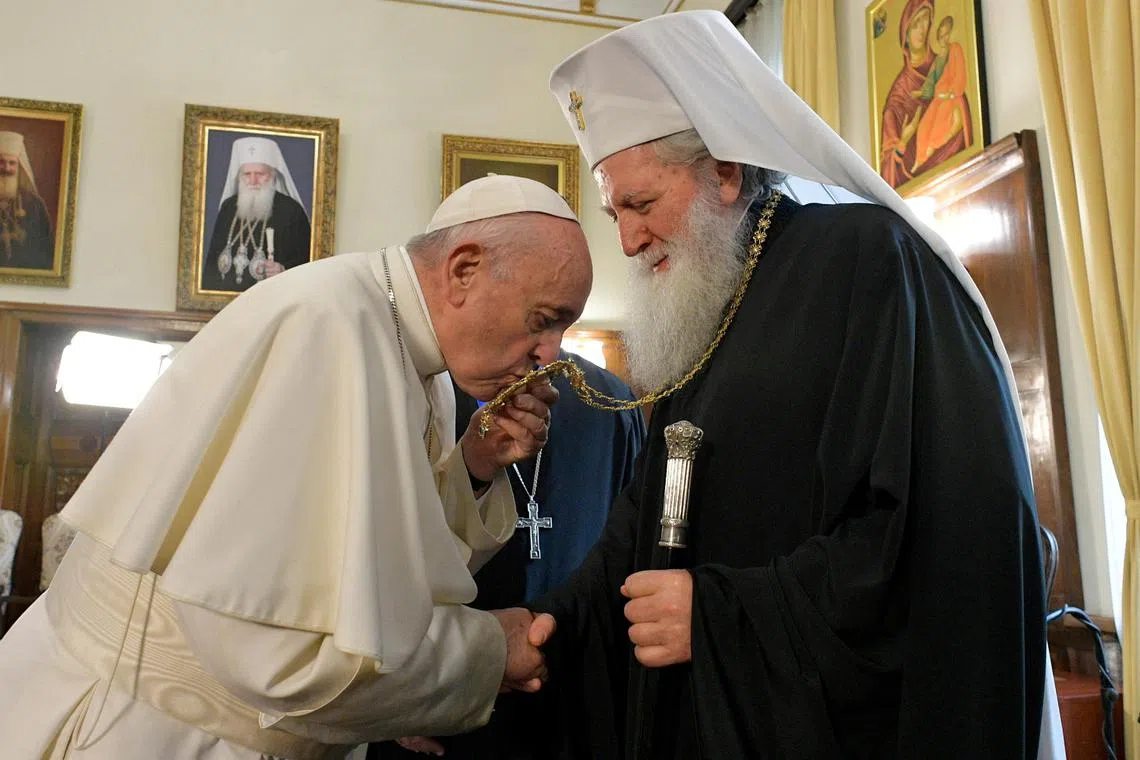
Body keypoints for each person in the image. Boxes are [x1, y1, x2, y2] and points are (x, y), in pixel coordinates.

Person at [518, 10, 1063, 759]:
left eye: (641, 205)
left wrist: (721, 617)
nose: (628, 241)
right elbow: (645, 519)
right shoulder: (705, 304)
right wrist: (545, 624)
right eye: (616, 212)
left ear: (726, 171)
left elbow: (949, 534)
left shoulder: (871, 262)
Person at [0, 174, 593, 758]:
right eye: (544, 319)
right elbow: (276, 658)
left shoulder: (423, 364)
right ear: (464, 269)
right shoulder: (321, 326)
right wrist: (492, 653)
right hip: (148, 727)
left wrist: (475, 464)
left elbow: (381, 568)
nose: (552, 354)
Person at [372, 351, 646, 759]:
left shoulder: (609, 400)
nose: (549, 351)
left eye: (564, 320)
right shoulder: (423, 388)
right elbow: (384, 558)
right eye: (541, 317)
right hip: (445, 697)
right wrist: (393, 695)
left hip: (570, 698)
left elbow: (627, 558)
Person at [877, 0, 969, 189]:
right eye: (915, 24)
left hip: (959, 176)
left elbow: (960, 102)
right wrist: (903, 141)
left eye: (925, 21)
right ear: (905, 33)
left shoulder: (944, 62)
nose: (921, 30)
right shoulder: (898, 95)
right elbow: (888, 166)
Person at [202, 135, 312, 292]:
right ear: (239, 176)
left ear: (272, 175)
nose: (253, 181)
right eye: (247, 174)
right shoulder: (228, 208)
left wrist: (283, 270)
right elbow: (212, 263)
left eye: (260, 174)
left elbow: (308, 265)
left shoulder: (292, 211)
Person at [913, 15, 972, 172]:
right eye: (940, 35)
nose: (943, 38)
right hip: (939, 99)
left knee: (941, 121)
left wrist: (950, 94)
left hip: (953, 97)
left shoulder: (956, 49)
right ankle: (920, 160)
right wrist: (921, 93)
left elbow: (960, 76)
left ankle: (930, 152)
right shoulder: (939, 58)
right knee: (923, 126)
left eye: (946, 34)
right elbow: (931, 82)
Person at [0, 130, 53, 269]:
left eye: (12, 163)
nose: (7, 168)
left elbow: (45, 250)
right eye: (1, 162)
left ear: (19, 167)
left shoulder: (34, 204)